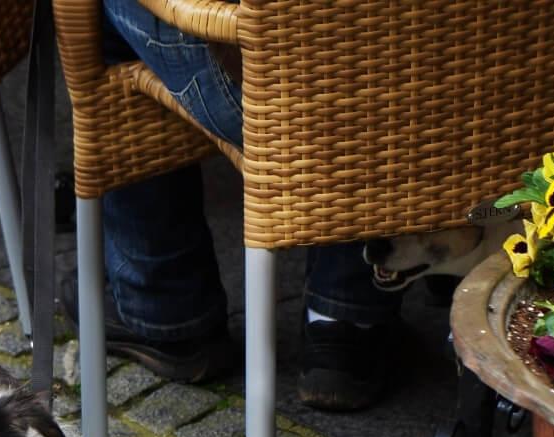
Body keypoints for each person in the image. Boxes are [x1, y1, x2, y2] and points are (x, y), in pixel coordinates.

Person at [62, 0, 403, 411]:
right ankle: (346, 320)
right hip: (429, 72)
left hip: (267, 81)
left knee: (96, 11)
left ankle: (165, 305)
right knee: (366, 40)